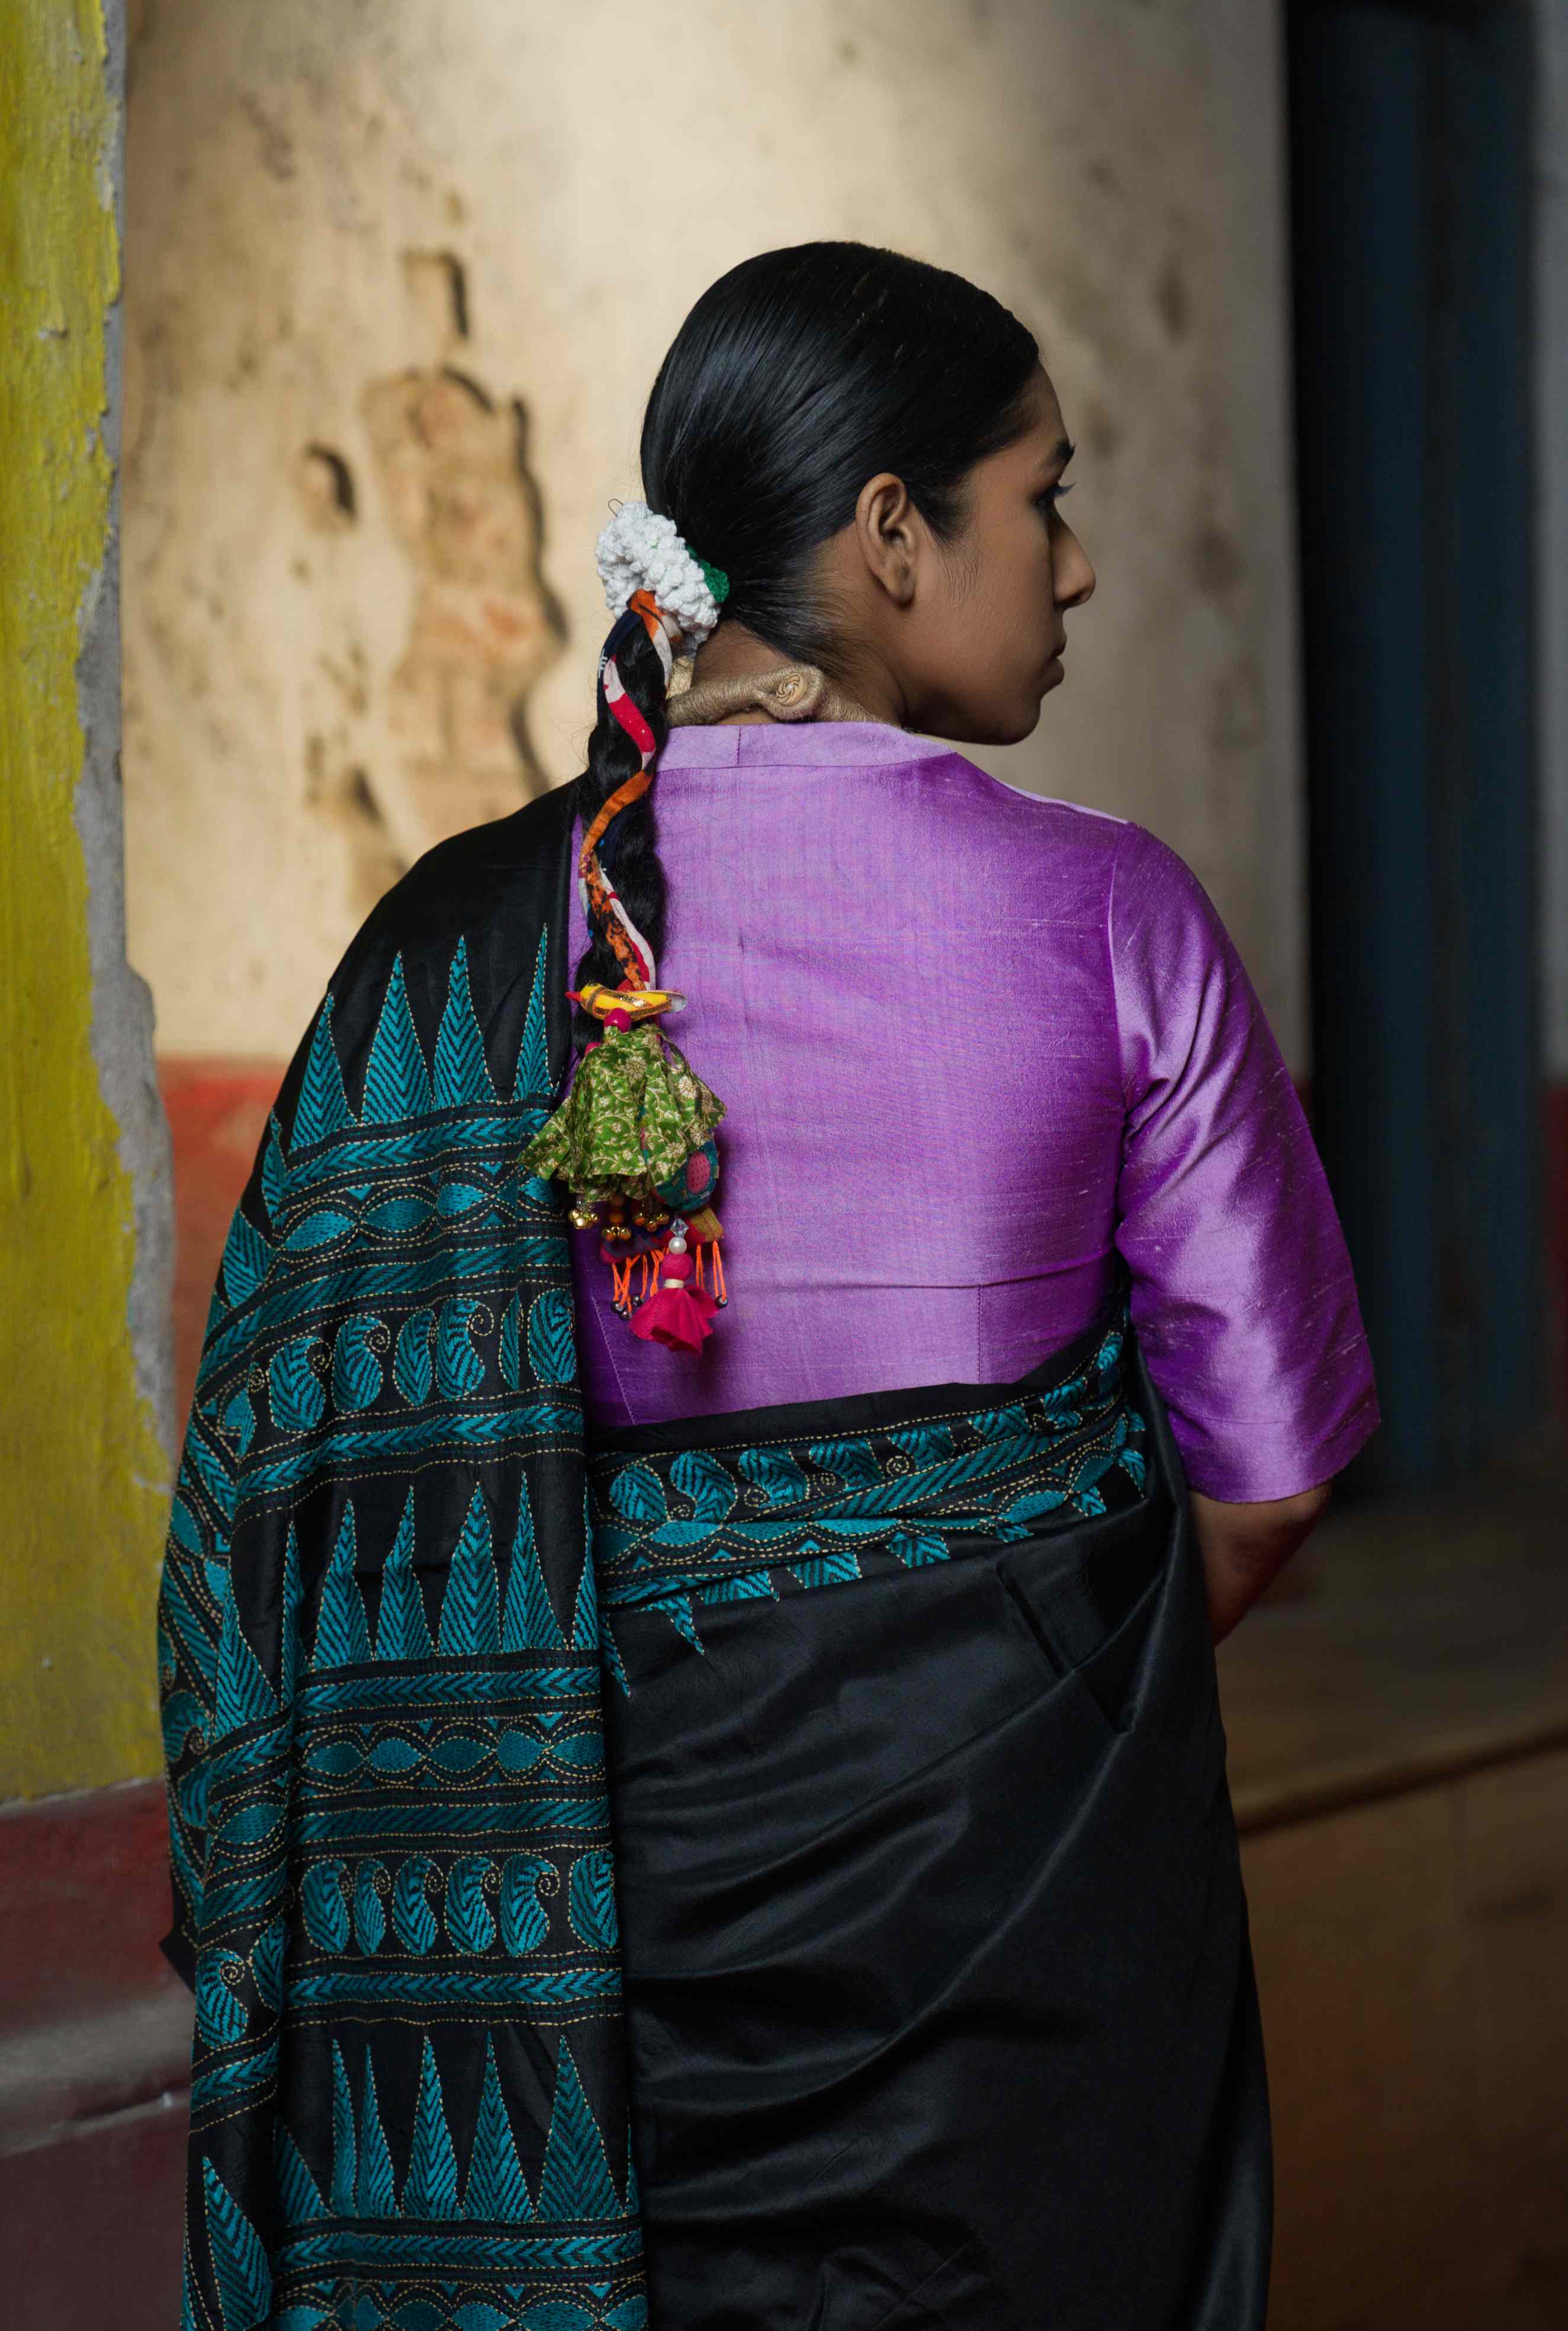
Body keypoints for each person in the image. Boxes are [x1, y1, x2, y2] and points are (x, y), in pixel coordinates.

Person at [159, 243, 1377, 2331]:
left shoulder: (447, 953)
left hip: (591, 1984)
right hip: (1025, 1952)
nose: (1074, 567)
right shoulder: (1110, 916)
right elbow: (1259, 1491)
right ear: (895, 536)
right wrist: (1000, 1677)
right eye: (1046, 497)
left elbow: (281, 1501)